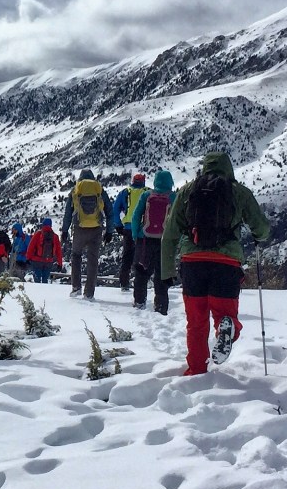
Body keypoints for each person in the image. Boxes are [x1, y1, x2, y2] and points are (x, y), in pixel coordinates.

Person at [162, 151, 270, 375]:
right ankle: (225, 327)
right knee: (225, 314)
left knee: (196, 322)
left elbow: (170, 233)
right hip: (226, 263)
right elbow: (261, 228)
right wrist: (259, 236)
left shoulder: (188, 191)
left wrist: (167, 271)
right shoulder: (239, 192)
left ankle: (196, 370)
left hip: (192, 262)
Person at [128, 169, 176, 313]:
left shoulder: (146, 195)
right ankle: (161, 307)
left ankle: (139, 302)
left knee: (141, 273)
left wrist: (136, 234)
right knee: (162, 275)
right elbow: (178, 220)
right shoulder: (173, 197)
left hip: (145, 240)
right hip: (165, 241)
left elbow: (136, 216)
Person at [61, 168, 108, 298]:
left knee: (76, 256)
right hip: (96, 229)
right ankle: (89, 292)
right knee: (93, 259)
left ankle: (76, 287)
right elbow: (109, 210)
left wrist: (64, 230)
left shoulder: (76, 190)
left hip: (79, 228)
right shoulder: (99, 189)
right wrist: (109, 230)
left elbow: (68, 213)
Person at [114, 173, 149, 290]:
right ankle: (143, 282)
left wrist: (118, 225)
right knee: (143, 256)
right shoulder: (147, 192)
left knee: (127, 257)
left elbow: (115, 209)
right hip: (144, 229)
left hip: (128, 228)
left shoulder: (125, 192)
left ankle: (124, 283)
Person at [26, 217, 64, 283]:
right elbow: (59, 251)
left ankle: (37, 289)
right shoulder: (55, 236)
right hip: (48, 261)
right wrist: (60, 263)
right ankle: (44, 288)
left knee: (37, 280)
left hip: (37, 261)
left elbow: (31, 247)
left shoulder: (38, 234)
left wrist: (28, 258)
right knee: (45, 280)